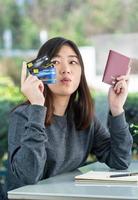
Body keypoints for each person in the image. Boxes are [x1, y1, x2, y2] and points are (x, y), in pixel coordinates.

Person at [8, 37, 133, 191]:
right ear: (40, 71)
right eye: (55, 62)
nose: (66, 69)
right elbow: (28, 176)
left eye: (73, 62)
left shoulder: (83, 117)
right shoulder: (24, 115)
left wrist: (116, 107)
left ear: (81, 73)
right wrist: (37, 108)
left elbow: (120, 161)